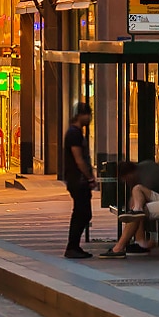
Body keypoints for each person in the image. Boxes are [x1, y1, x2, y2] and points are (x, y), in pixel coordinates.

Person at [101, 161, 159, 256]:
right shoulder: (142, 171)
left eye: (125, 178)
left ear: (130, 173)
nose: (126, 182)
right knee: (137, 208)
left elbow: (146, 196)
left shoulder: (147, 175)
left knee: (138, 208)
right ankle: (139, 242)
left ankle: (121, 247)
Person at [62, 101, 95, 258]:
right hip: (78, 180)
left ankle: (74, 246)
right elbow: (79, 159)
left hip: (78, 179)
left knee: (83, 213)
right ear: (81, 115)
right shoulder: (74, 133)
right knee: (82, 213)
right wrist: (89, 177)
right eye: (89, 115)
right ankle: (72, 246)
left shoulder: (76, 132)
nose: (90, 119)